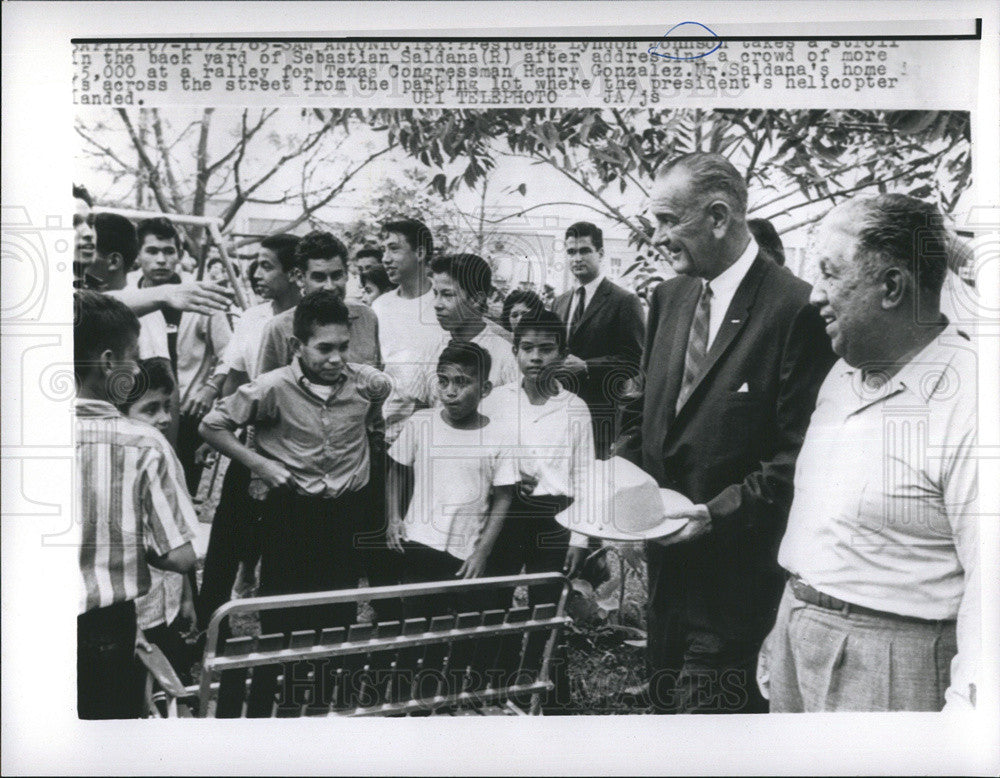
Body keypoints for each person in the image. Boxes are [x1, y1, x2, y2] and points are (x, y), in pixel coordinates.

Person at [615, 152, 836, 714]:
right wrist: (615, 481)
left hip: (736, 586)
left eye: (668, 221)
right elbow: (644, 414)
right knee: (668, 721)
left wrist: (716, 514)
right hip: (665, 585)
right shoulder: (670, 297)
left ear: (718, 217)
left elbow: (798, 460)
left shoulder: (796, 309)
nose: (658, 236)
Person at [760, 194, 979, 712]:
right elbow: (822, 528)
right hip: (798, 632)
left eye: (831, 274)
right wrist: (786, 624)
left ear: (892, 287)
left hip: (892, 661)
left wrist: (969, 709)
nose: (815, 294)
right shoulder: (842, 373)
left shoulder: (970, 398)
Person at [200, 290, 392, 637]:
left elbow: (372, 423)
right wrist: (260, 465)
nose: (336, 358)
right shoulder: (272, 388)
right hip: (291, 516)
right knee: (283, 612)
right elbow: (212, 425)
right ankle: (278, 682)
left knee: (336, 611)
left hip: (343, 515)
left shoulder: (366, 384)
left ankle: (319, 682)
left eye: (343, 347)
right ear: (296, 346)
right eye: (324, 348)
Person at [75, 291, 198, 718]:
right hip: (104, 626)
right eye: (133, 356)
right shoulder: (142, 442)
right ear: (110, 363)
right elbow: (180, 555)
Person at [195, 233, 302, 628]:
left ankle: (274, 632)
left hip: (296, 447)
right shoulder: (254, 317)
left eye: (266, 265)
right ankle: (208, 628)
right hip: (251, 438)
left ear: (294, 273)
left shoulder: (310, 321)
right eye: (255, 265)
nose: (256, 274)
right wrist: (218, 436)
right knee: (226, 534)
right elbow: (235, 379)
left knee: (279, 545)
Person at [386, 342, 517, 619]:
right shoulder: (421, 422)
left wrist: (481, 552)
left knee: (463, 623)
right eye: (443, 381)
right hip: (419, 541)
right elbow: (396, 470)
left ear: (485, 389)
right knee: (416, 618)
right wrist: (394, 518)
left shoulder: (501, 436)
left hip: (465, 547)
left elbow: (504, 496)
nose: (450, 392)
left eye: (462, 382)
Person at [121, 358, 199, 685]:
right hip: (138, 610)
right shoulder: (128, 459)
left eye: (167, 407)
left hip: (168, 600)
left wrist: (187, 597)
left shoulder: (163, 452)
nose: (165, 418)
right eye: (150, 409)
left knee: (173, 681)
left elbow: (180, 533)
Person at [554, 221, 645, 459]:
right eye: (571, 252)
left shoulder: (624, 301)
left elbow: (634, 360)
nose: (577, 258)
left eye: (585, 250)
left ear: (601, 253)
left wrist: (587, 366)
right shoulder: (560, 302)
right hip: (559, 412)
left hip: (600, 416)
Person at [256, 230, 380, 374]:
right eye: (319, 277)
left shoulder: (366, 317)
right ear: (300, 278)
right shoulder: (279, 328)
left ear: (346, 274)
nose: (330, 286)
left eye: (336, 276)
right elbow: (266, 391)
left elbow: (376, 379)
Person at [372, 218, 446, 443]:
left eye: (394, 249)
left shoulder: (443, 304)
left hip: (433, 435)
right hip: (385, 438)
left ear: (420, 252)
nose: (385, 259)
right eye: (383, 250)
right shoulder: (379, 306)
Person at [424, 253, 520, 398]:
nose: (437, 304)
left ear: (476, 299)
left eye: (447, 295)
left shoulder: (506, 358)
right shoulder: (432, 349)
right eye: (435, 294)